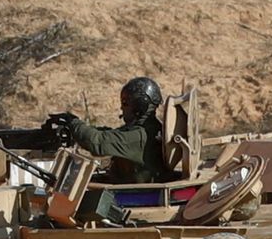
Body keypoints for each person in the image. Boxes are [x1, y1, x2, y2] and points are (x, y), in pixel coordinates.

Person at [37, 77, 182, 183]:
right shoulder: (149, 129)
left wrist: (72, 122)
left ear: (139, 105)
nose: (121, 108)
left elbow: (98, 143)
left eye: (125, 104)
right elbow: (112, 134)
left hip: (129, 198)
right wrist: (79, 130)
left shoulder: (138, 137)